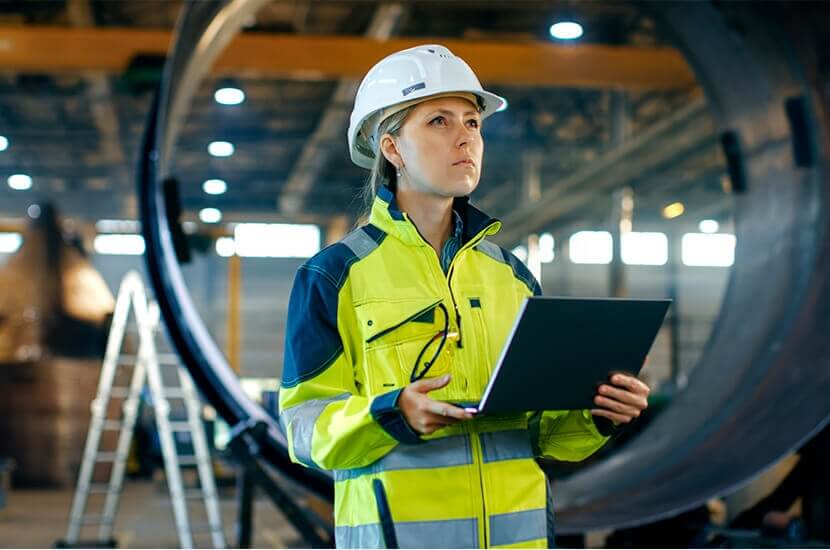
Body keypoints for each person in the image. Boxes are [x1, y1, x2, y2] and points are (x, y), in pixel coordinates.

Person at [278, 44, 650, 549]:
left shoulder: (511, 276)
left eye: (473, 123)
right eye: (438, 121)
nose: (465, 138)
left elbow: (543, 433)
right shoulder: (334, 276)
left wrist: (600, 413)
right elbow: (304, 428)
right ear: (392, 149)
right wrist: (394, 413)